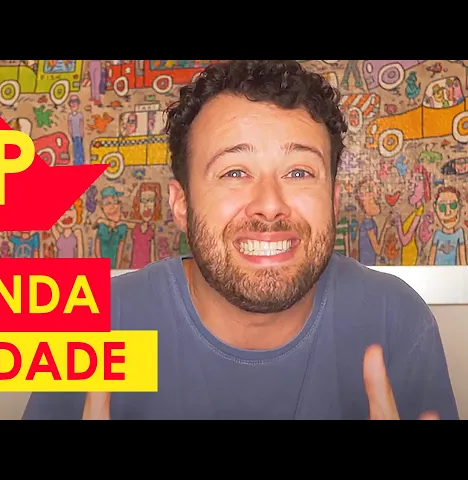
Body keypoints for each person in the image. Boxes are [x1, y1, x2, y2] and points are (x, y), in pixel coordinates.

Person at [23, 60, 458, 420]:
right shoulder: (97, 324)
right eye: (234, 172)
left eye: (299, 172)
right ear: (181, 204)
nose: (269, 205)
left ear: (333, 199)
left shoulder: (395, 319)